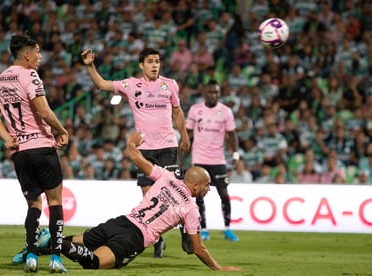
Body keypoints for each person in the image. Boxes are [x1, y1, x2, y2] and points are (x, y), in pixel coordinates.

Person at [60, 131, 242, 271]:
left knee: (78, 240)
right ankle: (55, 242)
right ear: (195, 186)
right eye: (207, 185)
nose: (209, 189)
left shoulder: (167, 176)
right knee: (95, 262)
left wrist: (131, 143)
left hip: (123, 221)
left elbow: (137, 159)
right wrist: (218, 267)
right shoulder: (191, 208)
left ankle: (44, 244)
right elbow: (198, 247)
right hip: (134, 238)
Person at [80, 47, 191, 257]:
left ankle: (186, 229)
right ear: (142, 65)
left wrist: (184, 136)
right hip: (144, 150)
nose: (154, 65)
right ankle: (158, 239)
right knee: (149, 199)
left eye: (157, 61)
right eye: (150, 61)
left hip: (167, 146)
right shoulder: (131, 85)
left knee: (176, 193)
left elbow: (177, 111)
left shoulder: (170, 85)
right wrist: (90, 66)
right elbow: (101, 84)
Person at [0, 35, 69, 273]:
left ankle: (31, 255)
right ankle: (55, 258)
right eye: (37, 52)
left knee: (33, 204)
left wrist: (8, 138)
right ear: (26, 55)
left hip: (20, 153)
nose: (40, 57)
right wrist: (61, 129)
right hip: (42, 146)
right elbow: (43, 110)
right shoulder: (29, 75)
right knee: (55, 202)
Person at [185, 79, 240, 242]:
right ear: (205, 93)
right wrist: (181, 152)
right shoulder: (195, 110)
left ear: (219, 94)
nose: (213, 95)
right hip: (200, 158)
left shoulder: (225, 112)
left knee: (224, 193)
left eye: (216, 92)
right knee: (199, 196)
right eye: (210, 92)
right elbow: (187, 133)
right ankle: (203, 229)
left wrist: (236, 154)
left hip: (218, 159)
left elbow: (232, 134)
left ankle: (228, 228)